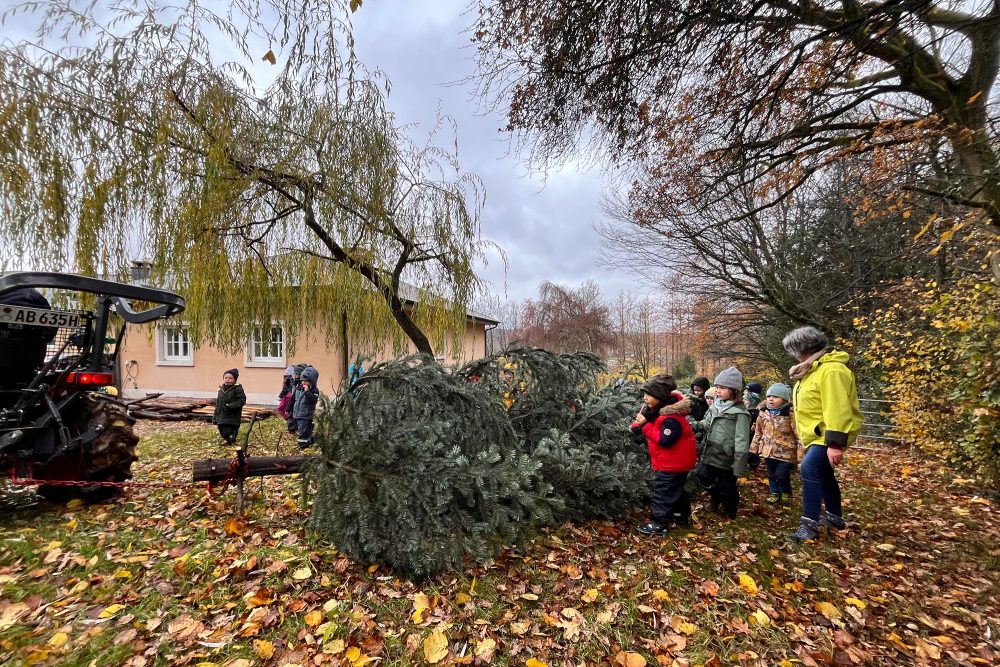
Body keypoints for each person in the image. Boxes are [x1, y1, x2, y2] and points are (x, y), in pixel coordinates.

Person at [782, 326, 862, 542]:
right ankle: (835, 517)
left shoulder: (831, 371)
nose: (793, 354)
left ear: (804, 347)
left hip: (828, 433)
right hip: (817, 434)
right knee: (824, 473)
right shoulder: (811, 370)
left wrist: (835, 443)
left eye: (794, 349)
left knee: (809, 469)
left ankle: (809, 525)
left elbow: (837, 407)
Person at [631, 374, 697, 535]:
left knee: (663, 492)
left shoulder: (671, 418)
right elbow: (648, 422)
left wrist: (644, 426)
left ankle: (659, 523)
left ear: (659, 396)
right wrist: (637, 425)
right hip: (675, 462)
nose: (645, 398)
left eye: (649, 395)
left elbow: (664, 440)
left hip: (673, 463)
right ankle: (681, 515)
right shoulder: (658, 410)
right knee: (676, 489)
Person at [689, 367, 751, 519]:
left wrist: (739, 465)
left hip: (726, 457)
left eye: (722, 388)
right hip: (710, 452)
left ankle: (730, 510)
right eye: (717, 387)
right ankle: (715, 499)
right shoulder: (715, 407)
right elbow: (706, 424)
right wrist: (690, 424)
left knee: (727, 486)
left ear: (734, 391)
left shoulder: (740, 414)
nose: (718, 390)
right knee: (702, 477)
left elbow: (742, 440)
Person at [749, 383, 798, 505]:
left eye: (776, 396)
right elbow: (758, 432)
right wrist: (754, 447)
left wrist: (801, 453)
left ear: (784, 399)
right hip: (768, 451)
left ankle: (786, 492)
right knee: (771, 474)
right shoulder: (763, 414)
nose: (771, 399)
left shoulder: (790, 415)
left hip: (786, 452)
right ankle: (774, 492)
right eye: (769, 396)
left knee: (781, 474)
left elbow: (798, 434)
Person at [287, 365, 320, 448]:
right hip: (297, 414)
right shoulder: (299, 388)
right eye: (302, 381)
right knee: (305, 430)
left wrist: (307, 391)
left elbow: (313, 400)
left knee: (303, 431)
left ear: (312, 381)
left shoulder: (314, 391)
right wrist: (288, 408)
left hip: (306, 415)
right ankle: (310, 441)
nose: (303, 383)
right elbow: (293, 398)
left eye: (306, 381)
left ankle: (303, 446)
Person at [213, 369, 246, 446]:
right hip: (221, 414)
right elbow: (218, 404)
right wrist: (215, 417)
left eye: (230, 378)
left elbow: (242, 400)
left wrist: (230, 406)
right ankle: (226, 439)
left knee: (229, 429)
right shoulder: (221, 390)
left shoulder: (238, 389)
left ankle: (230, 440)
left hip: (232, 415)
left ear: (235, 380)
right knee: (221, 428)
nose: (227, 379)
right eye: (226, 378)